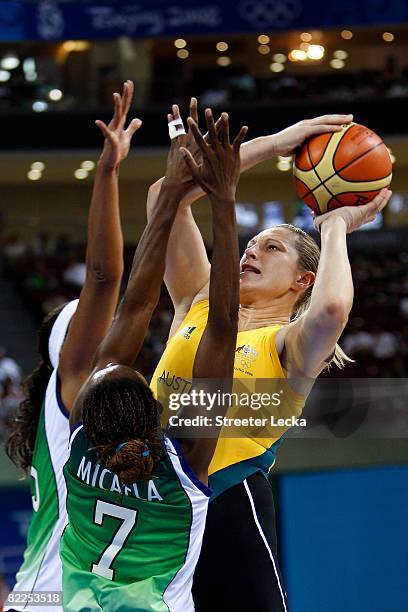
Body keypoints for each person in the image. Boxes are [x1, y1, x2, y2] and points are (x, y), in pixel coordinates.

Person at [148, 100, 392, 611]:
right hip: (154, 506)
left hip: (226, 506)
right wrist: (279, 143)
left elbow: (331, 307)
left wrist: (334, 228)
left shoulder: (288, 344)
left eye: (271, 248)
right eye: (249, 244)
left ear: (302, 279)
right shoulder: (200, 300)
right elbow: (164, 200)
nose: (249, 252)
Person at [59, 109, 246, 611]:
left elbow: (139, 305)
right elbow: (223, 327)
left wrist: (172, 196)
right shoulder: (182, 470)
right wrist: (223, 201)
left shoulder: (78, 443)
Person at [5, 81, 141, 612]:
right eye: (85, 322)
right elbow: (107, 279)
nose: (99, 326)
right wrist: (107, 172)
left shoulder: (94, 411)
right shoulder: (71, 391)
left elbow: (137, 299)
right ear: (68, 346)